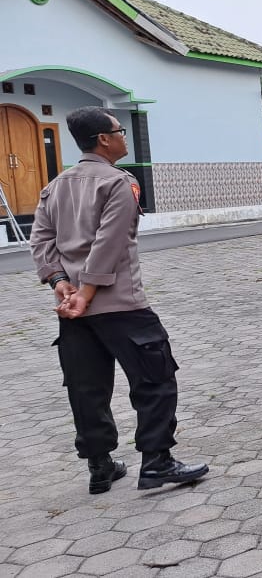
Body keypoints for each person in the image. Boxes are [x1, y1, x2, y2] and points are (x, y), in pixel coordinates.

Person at [30, 106, 209, 494]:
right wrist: (87, 292)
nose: (124, 136)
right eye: (119, 131)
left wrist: (60, 281)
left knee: (87, 388)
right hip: (120, 305)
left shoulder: (55, 186)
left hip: (74, 310)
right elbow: (109, 243)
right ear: (104, 140)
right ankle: (157, 462)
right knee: (155, 379)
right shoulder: (118, 182)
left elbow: (41, 239)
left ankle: (100, 466)